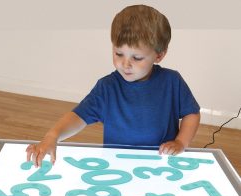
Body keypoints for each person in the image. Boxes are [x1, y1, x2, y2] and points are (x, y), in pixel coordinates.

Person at [26, 4, 200, 167]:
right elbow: (78, 117)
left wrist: (180, 143)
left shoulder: (172, 81)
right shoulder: (107, 87)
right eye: (118, 53)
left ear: (159, 55)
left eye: (136, 58)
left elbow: (191, 114)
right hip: (117, 166)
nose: (125, 64)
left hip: (161, 164)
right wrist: (52, 135)